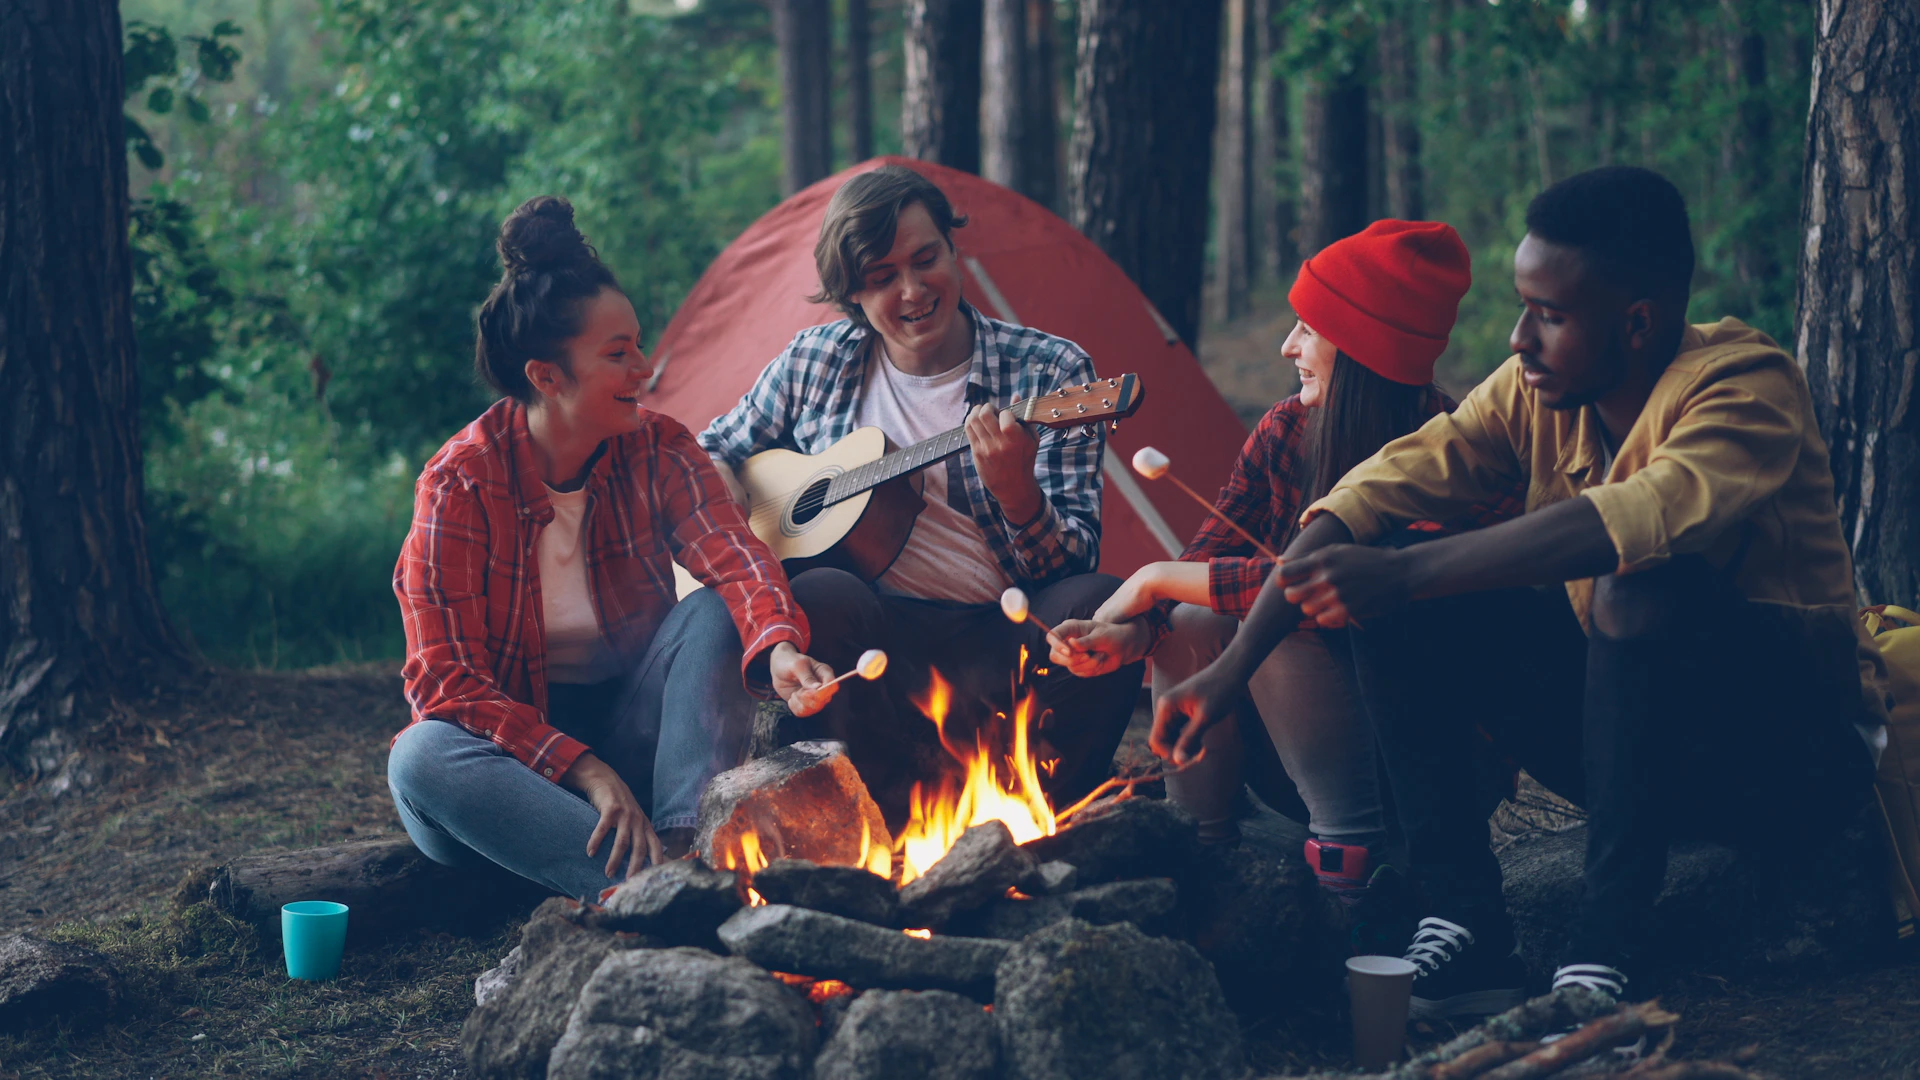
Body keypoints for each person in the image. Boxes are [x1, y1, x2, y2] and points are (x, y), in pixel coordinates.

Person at [1147, 166, 1888, 1018]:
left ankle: (1606, 943)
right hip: (1628, 755)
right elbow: (1376, 489)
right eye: (1523, 307)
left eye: (1550, 316)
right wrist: (1233, 667)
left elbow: (1638, 516)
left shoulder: (1745, 387)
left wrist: (1408, 571)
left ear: (1637, 323)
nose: (1516, 339)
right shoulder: (1539, 391)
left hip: (1784, 758)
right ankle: (1463, 922)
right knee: (1392, 552)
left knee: (1632, 590)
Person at [1050, 221, 1519, 934]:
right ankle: (1204, 856)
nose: (1286, 347)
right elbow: (1204, 561)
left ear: (1364, 346)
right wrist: (1136, 629)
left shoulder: (1456, 456)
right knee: (1200, 614)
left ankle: (1354, 884)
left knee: (1284, 610)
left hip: (1427, 769)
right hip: (1294, 754)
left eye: (1308, 328)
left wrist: (1152, 578)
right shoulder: (1286, 432)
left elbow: (1343, 589)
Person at [387, 196, 836, 902]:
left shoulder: (660, 448)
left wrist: (778, 645)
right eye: (618, 354)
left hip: (636, 745)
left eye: (638, 344)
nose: (645, 368)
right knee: (420, 755)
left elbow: (735, 558)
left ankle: (688, 847)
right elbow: (444, 683)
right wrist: (584, 771)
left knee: (715, 611)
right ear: (546, 377)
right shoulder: (460, 484)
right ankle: (651, 885)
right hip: (516, 774)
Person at [699, 165, 1141, 819]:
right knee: (818, 595)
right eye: (882, 278)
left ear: (953, 249)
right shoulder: (816, 361)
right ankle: (872, 816)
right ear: (852, 294)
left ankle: (1050, 820)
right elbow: (709, 450)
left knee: (1105, 603)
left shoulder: (1052, 372)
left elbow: (1073, 564)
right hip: (877, 652)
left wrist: (1019, 497)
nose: (912, 290)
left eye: (925, 258)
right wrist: (726, 486)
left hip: (1001, 638)